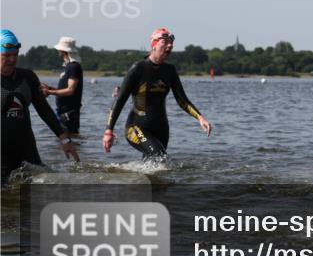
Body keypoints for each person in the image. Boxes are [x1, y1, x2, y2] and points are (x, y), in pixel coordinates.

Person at [104, 28, 212, 159]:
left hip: (162, 129)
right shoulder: (138, 68)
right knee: (159, 156)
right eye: (165, 41)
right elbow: (120, 100)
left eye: (171, 42)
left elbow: (182, 100)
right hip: (136, 127)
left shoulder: (169, 70)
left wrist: (200, 118)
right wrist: (109, 130)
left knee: (154, 166)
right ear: (154, 44)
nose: (170, 45)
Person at [1, 29, 79, 182]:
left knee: (29, 198)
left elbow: (44, 110)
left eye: (15, 55)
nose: (12, 60)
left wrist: (64, 139)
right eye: (6, 56)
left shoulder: (27, 77)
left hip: (26, 148)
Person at [40, 36, 84, 135]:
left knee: (69, 138)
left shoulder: (74, 67)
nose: (58, 51)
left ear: (63, 50)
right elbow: (65, 89)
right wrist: (50, 89)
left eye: (59, 49)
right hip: (63, 111)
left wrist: (50, 92)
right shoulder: (68, 67)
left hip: (70, 113)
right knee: (64, 141)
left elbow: (70, 90)